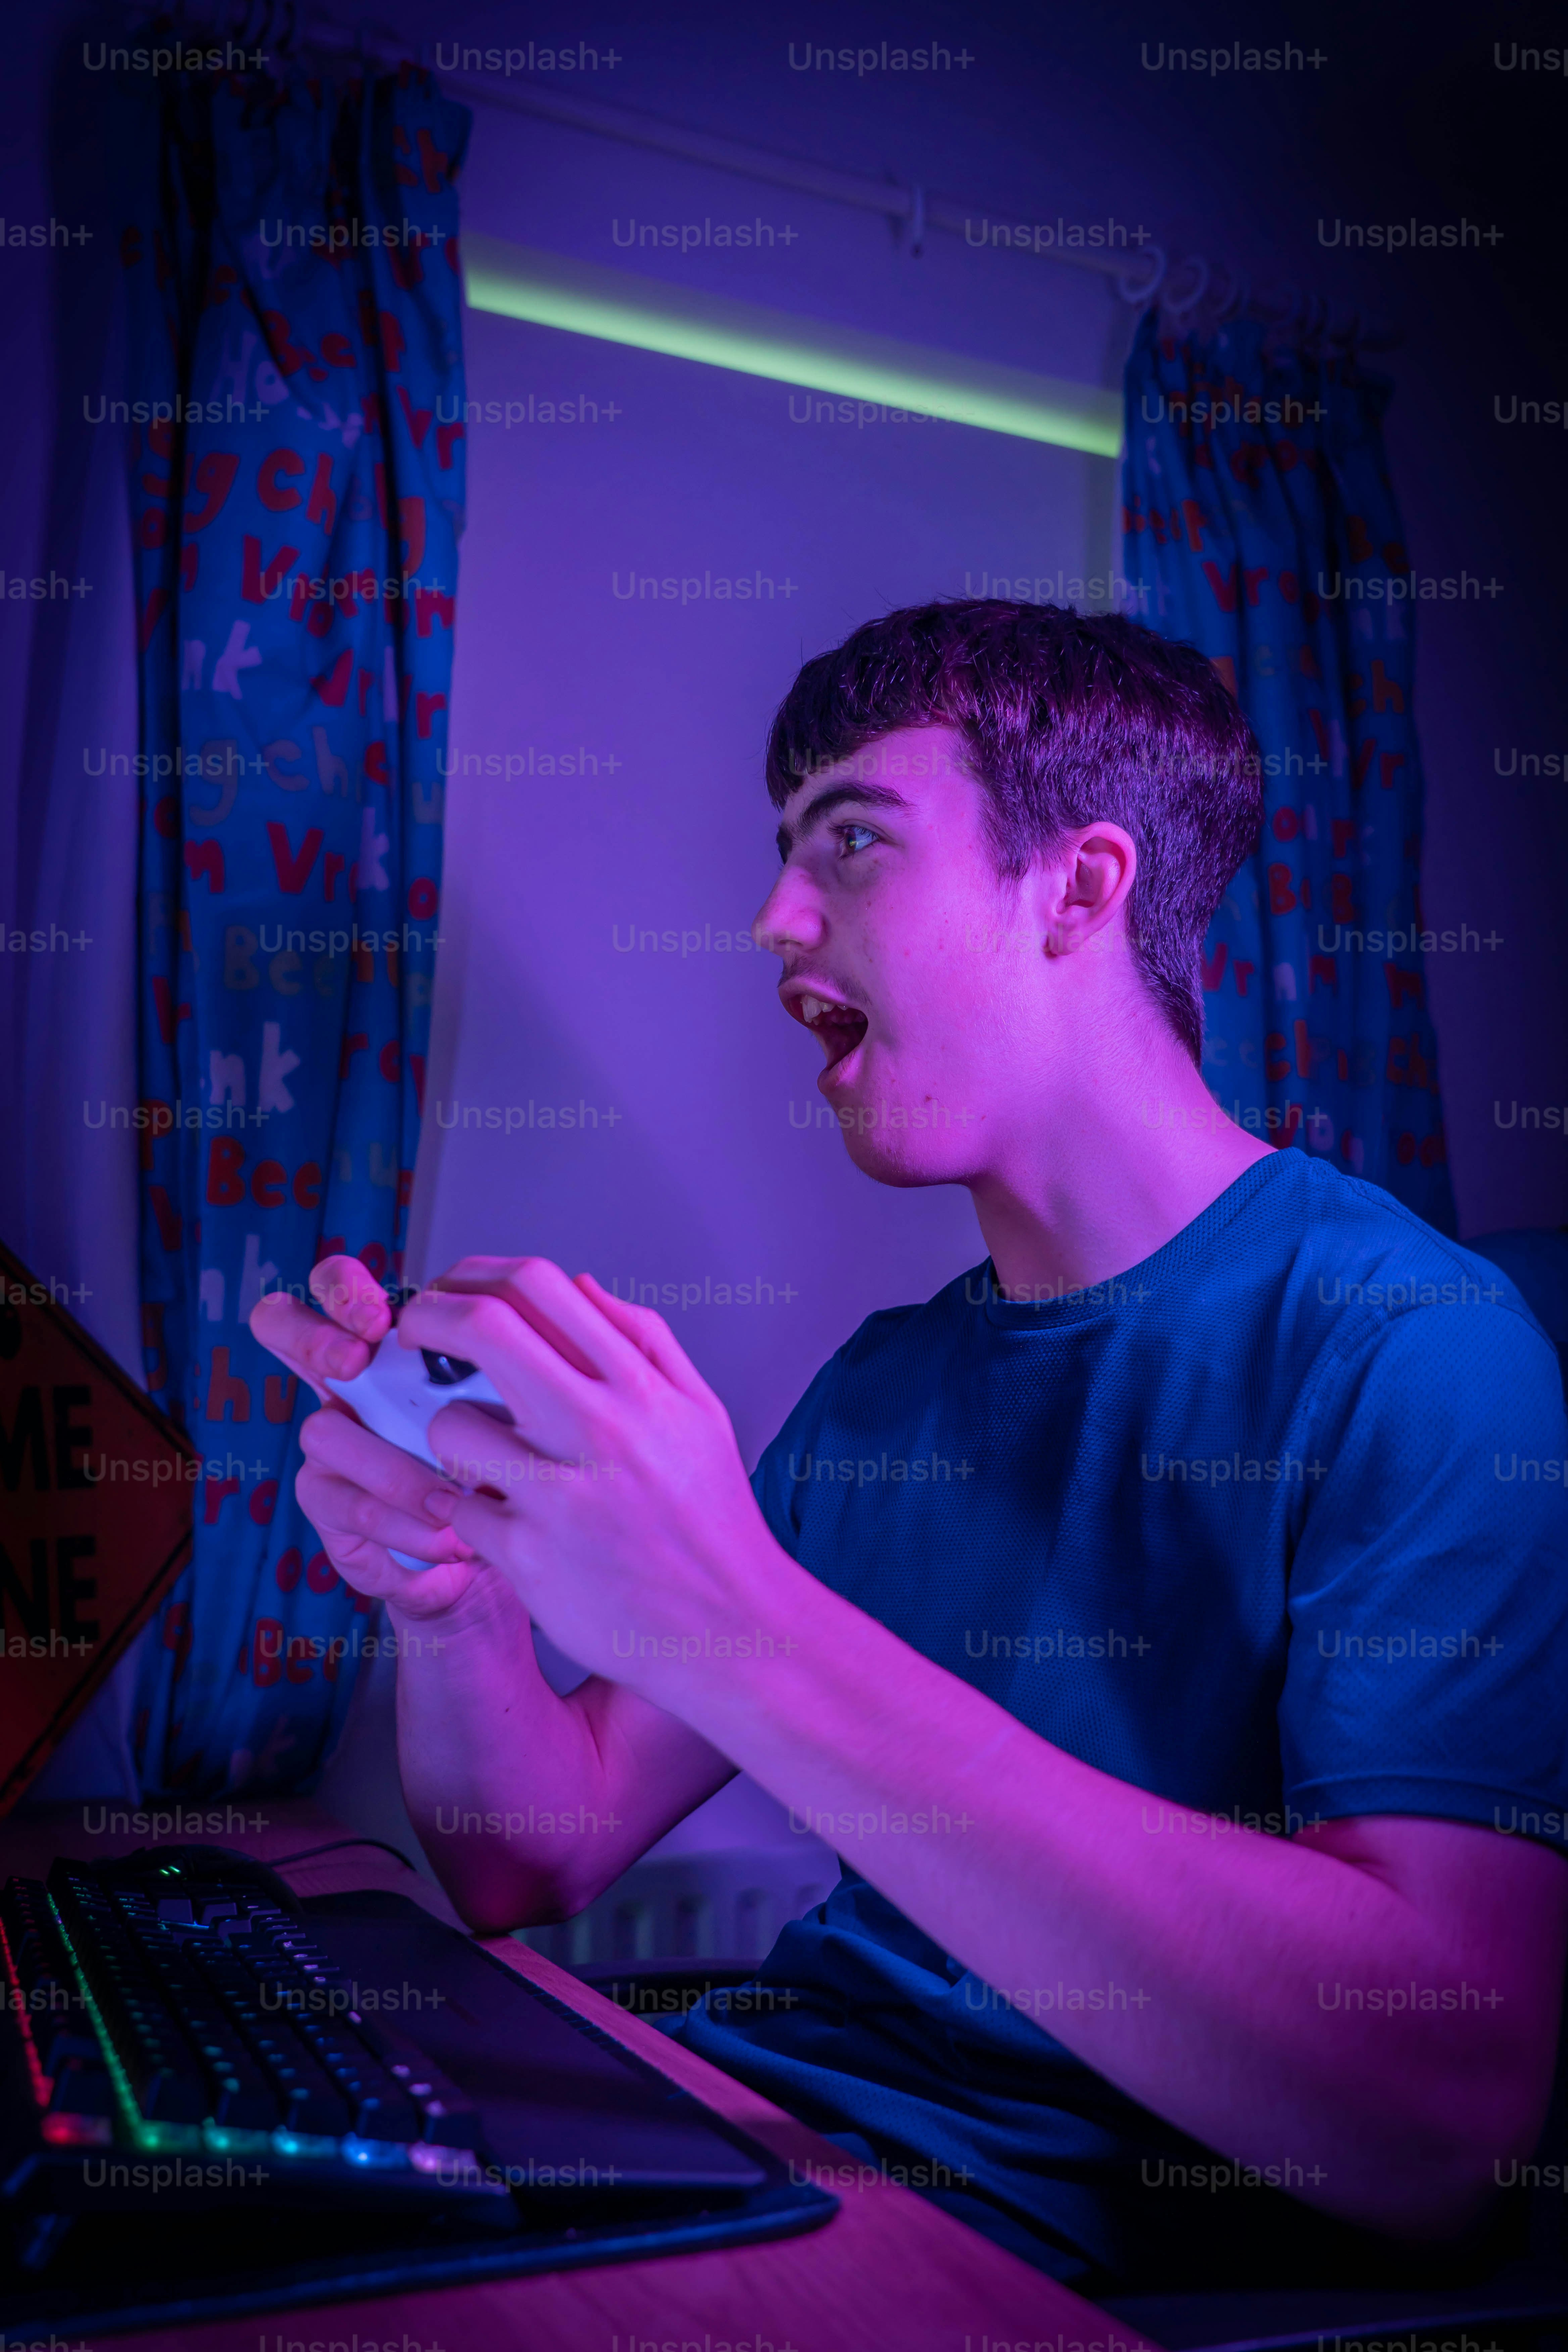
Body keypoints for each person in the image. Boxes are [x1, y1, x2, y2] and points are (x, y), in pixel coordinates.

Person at [253, 600, 1568, 2294]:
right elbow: (532, 1850)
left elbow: (1438, 2120)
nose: (773, 917)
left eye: (850, 842)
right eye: (783, 853)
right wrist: (451, 1598)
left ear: (1079, 891)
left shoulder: (1418, 1349)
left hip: (1024, 2261)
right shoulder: (885, 1387)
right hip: (760, 2140)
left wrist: (732, 1616)